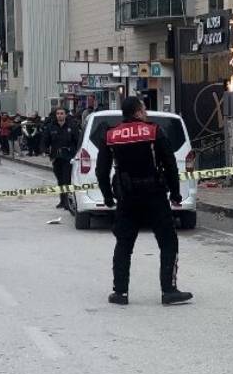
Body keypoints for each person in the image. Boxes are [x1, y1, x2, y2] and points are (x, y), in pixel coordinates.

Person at [96, 97, 192, 306]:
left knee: (124, 244)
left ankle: (120, 293)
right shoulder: (154, 131)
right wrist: (175, 193)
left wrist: (107, 197)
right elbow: (170, 164)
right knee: (168, 242)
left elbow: (101, 170)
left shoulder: (111, 135)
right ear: (138, 112)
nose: (146, 112)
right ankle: (169, 290)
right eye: (144, 109)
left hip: (127, 197)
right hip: (154, 195)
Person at [42, 107, 81, 209]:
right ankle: (62, 201)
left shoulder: (72, 126)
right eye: (58, 113)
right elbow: (45, 140)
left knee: (66, 179)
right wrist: (45, 150)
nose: (59, 115)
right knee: (60, 180)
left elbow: (78, 141)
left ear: (65, 115)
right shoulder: (51, 127)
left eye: (61, 113)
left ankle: (68, 202)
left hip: (68, 157)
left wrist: (76, 153)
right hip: (56, 157)